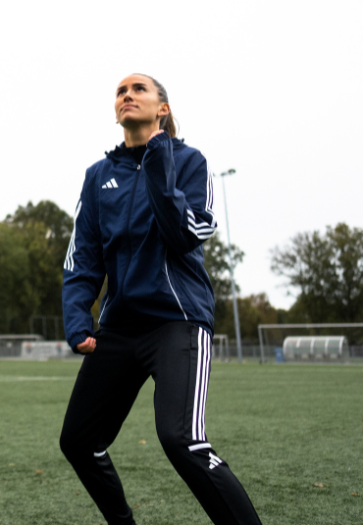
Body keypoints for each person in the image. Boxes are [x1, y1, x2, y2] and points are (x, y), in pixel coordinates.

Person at [59, 74, 261, 525]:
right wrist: (77, 318)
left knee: (180, 439)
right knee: (77, 440)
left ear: (162, 109)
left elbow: (188, 232)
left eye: (138, 89)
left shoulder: (190, 161)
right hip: (119, 327)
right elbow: (83, 257)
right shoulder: (97, 177)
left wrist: (157, 162)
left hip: (178, 323)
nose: (126, 95)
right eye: (119, 92)